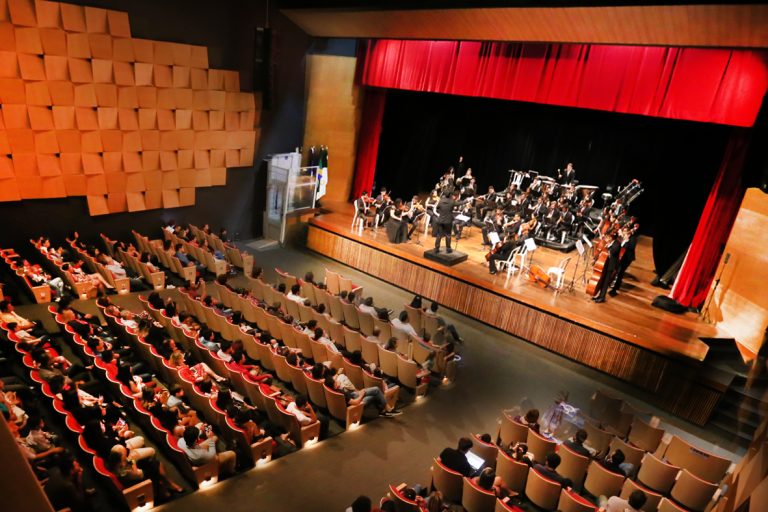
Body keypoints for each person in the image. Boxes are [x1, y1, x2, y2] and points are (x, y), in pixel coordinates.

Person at [609, 224, 639, 296]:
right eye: (623, 231)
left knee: (620, 272)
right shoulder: (622, 237)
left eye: (625, 231)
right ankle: (611, 282)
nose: (624, 232)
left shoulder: (633, 239)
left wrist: (627, 240)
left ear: (629, 232)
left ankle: (615, 289)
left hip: (627, 258)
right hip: (620, 257)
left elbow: (631, 248)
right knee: (616, 270)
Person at [592, 233, 621, 303]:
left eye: (607, 237)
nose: (606, 238)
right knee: (602, 281)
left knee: (605, 283)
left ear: (611, 237)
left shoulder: (617, 244)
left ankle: (602, 297)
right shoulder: (610, 243)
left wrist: (608, 246)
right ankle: (599, 295)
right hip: (605, 264)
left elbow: (613, 252)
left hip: (610, 266)